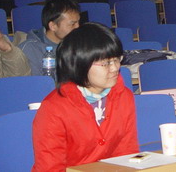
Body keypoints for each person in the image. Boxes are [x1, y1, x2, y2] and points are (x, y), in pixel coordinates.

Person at [32, 23, 138, 170]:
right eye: (106, 63)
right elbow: (50, 168)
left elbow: (126, 154)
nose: (115, 68)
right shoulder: (54, 109)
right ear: (79, 64)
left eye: (116, 59)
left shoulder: (124, 96)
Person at [19, 0, 81, 75]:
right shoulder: (30, 49)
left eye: (78, 22)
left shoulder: (78, 44)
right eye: (72, 24)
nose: (78, 27)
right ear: (53, 26)